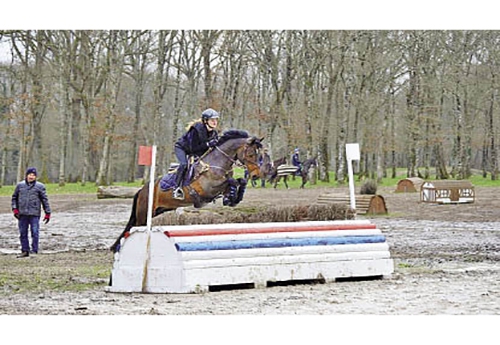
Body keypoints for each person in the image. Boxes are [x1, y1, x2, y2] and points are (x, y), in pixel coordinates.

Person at [172, 108, 220, 200]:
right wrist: (207, 144)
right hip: (183, 148)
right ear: (206, 121)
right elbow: (192, 148)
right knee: (184, 164)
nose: (215, 122)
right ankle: (176, 188)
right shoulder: (196, 130)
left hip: (196, 152)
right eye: (212, 120)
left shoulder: (214, 133)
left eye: (216, 120)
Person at [11, 167, 51, 258]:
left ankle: (34, 250)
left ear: (36, 177)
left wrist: (47, 213)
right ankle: (25, 250)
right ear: (26, 175)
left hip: (34, 214)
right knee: (23, 233)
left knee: (35, 232)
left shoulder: (40, 186)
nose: (31, 177)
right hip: (22, 214)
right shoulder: (20, 186)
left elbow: (45, 200)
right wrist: (15, 209)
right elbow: (14, 198)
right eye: (30, 175)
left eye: (33, 175)